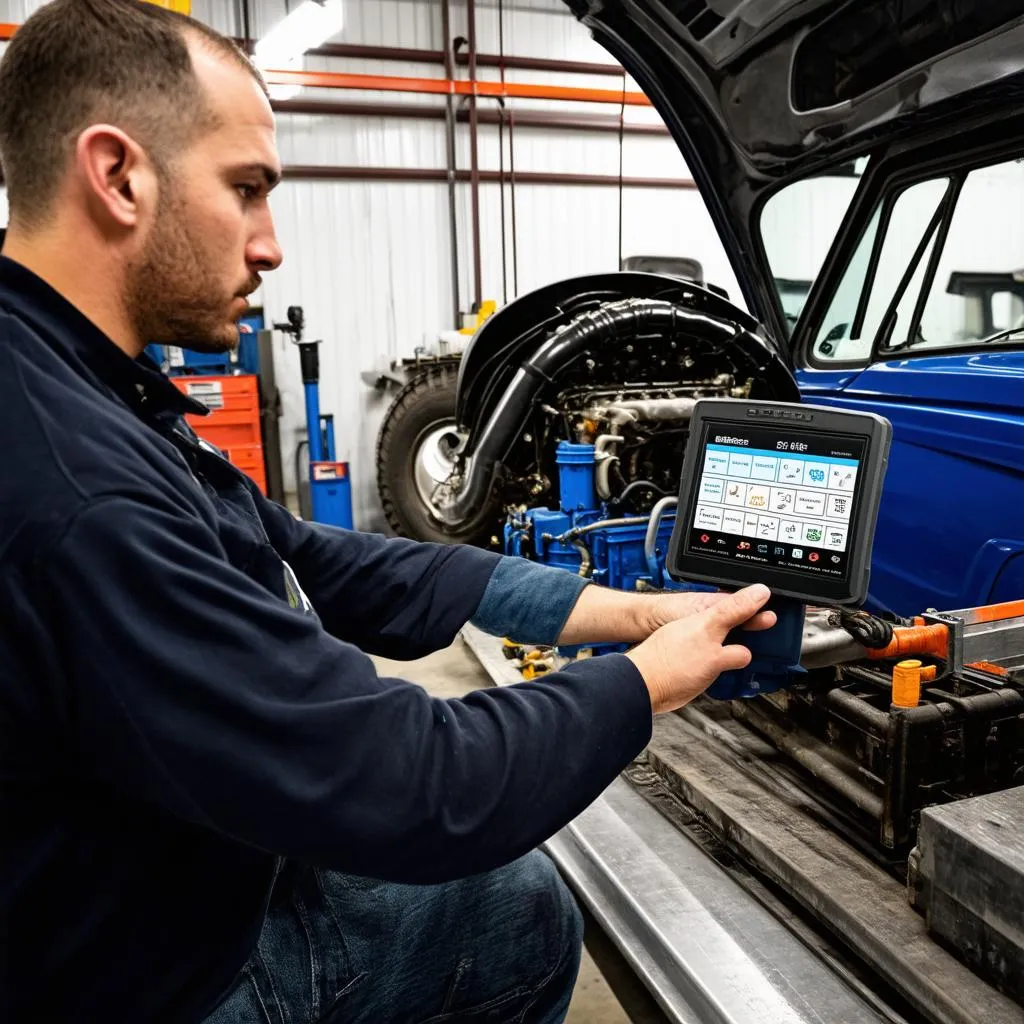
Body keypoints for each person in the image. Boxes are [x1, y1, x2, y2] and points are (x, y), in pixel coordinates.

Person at [0, 2, 774, 1021]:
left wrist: (617, 613)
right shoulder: (77, 486)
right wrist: (639, 687)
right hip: (154, 973)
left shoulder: (71, 377)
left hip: (136, 874)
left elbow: (317, 559)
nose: (271, 245)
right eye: (247, 190)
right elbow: (410, 789)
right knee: (521, 917)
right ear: (118, 175)